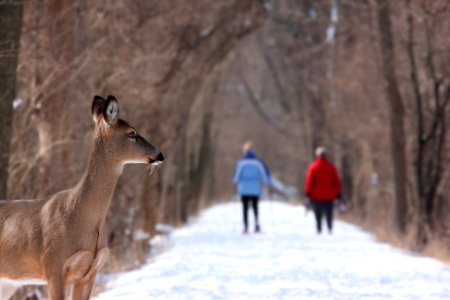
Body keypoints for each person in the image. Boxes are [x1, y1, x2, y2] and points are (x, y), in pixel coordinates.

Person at [233, 141, 271, 234]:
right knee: (255, 206)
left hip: (244, 189)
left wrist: (237, 181)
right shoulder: (258, 162)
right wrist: (267, 182)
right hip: (255, 189)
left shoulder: (241, 163)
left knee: (245, 207)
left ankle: (246, 227)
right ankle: (257, 224)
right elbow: (265, 176)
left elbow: (236, 177)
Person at [304, 146, 343, 234]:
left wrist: (308, 193)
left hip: (316, 195)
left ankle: (319, 228)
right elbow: (337, 181)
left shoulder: (313, 167)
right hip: (329, 195)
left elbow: (309, 181)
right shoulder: (331, 167)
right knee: (329, 212)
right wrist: (338, 193)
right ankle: (329, 227)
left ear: (317, 155)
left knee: (317, 212)